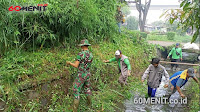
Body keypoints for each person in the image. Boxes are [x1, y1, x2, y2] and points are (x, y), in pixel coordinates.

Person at [66, 39, 93, 112]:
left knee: (75, 90)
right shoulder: (91, 54)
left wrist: (69, 63)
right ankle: (89, 106)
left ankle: (74, 110)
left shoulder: (80, 54)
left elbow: (76, 65)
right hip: (88, 74)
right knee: (87, 89)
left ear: (83, 46)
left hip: (81, 74)